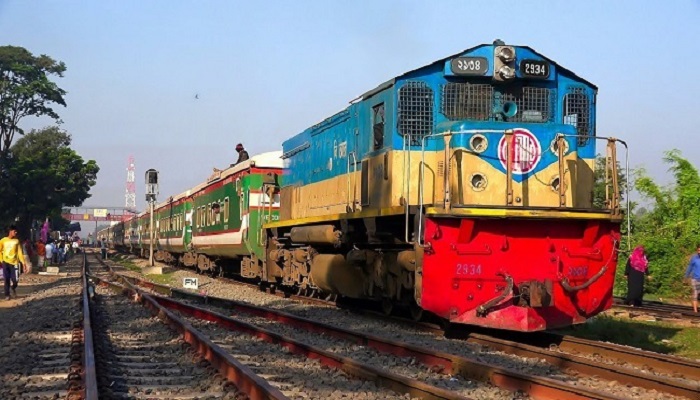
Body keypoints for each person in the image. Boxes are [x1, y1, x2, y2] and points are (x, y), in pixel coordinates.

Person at [0, 225, 29, 300]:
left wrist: (23, 263)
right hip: (5, 263)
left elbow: (19, 252)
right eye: (14, 231)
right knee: (6, 279)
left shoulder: (16, 241)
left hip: (15, 263)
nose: (16, 232)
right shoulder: (3, 241)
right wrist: (1, 260)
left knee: (15, 280)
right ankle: (7, 295)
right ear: (10, 231)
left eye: (16, 231)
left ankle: (13, 287)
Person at [685, 244, 700, 313]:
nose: (699, 252)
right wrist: (686, 276)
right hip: (695, 279)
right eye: (698, 250)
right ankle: (695, 311)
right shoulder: (694, 258)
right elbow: (689, 267)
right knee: (695, 294)